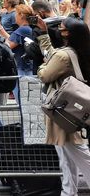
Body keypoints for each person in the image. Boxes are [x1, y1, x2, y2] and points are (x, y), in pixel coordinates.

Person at [36, 16, 90, 196]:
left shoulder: (63, 55)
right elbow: (53, 55)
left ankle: (68, 192)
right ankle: (68, 192)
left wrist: (42, 67)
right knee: (67, 157)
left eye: (61, 28)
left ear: (68, 33)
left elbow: (45, 75)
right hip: (71, 110)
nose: (59, 30)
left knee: (79, 154)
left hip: (63, 111)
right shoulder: (78, 50)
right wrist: (43, 33)